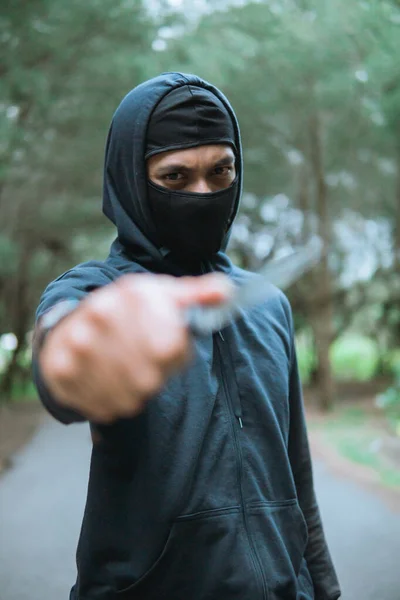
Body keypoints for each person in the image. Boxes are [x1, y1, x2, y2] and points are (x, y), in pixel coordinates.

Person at [32, 72, 341, 600]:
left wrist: (325, 589)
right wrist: (71, 357)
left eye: (221, 171)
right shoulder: (98, 292)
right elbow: (63, 338)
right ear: (131, 179)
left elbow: (298, 481)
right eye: (175, 178)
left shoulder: (267, 302)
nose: (205, 193)